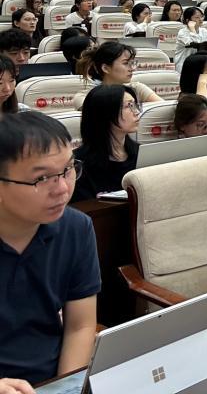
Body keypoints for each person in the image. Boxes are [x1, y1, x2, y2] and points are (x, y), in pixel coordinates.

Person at [0, 112, 99, 386]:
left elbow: (80, 326)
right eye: (42, 178)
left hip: (50, 380)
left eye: (68, 170)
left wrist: (65, 387)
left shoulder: (76, 229)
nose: (63, 189)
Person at [71, 85, 140, 202]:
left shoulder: (140, 153)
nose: (137, 112)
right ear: (106, 113)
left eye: (135, 105)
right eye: (129, 106)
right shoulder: (78, 165)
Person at [72, 41, 162, 109]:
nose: (132, 68)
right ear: (105, 68)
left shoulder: (137, 88)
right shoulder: (84, 97)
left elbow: (162, 108)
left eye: (132, 63)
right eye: (126, 63)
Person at [175, 7, 207, 71]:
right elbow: (196, 44)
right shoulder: (182, 32)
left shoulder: (204, 31)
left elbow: (206, 46)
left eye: (201, 16)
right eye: (197, 17)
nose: (201, 19)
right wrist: (192, 29)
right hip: (184, 64)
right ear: (188, 20)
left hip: (201, 62)